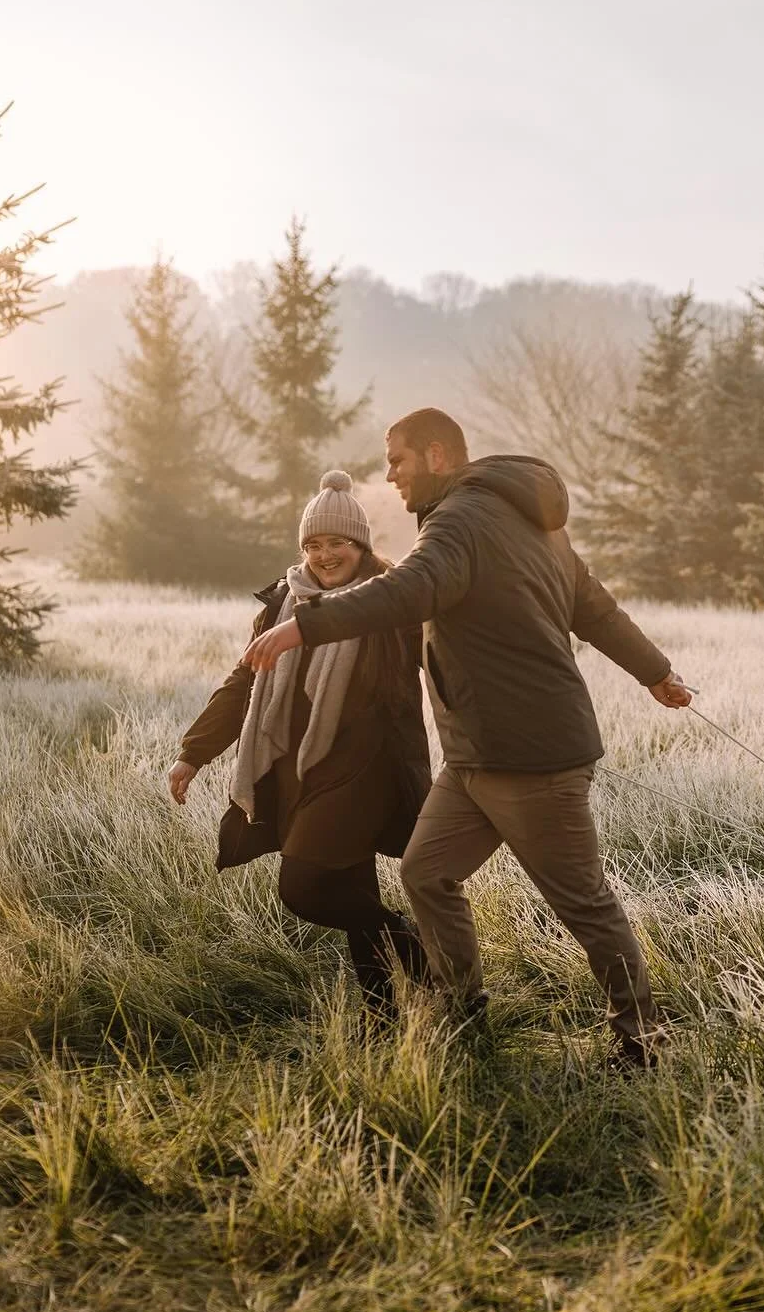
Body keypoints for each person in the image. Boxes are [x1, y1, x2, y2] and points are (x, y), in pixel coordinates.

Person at [242, 409, 692, 1069]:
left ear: (436, 456)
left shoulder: (460, 521)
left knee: (584, 904)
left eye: (396, 459)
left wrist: (303, 626)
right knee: (427, 873)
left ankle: (641, 1040)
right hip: (475, 758)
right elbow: (592, 606)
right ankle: (462, 1013)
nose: (388, 473)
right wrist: (656, 673)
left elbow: (410, 589)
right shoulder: (525, 517)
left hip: (532, 757)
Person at [168, 471, 431, 1023]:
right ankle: (383, 1018)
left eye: (337, 543)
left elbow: (452, 657)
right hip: (300, 769)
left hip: (365, 771)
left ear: (359, 544)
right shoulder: (283, 601)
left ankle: (421, 952)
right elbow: (243, 683)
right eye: (313, 544)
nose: (325, 555)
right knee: (351, 886)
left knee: (305, 888)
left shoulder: (392, 601)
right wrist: (194, 753)